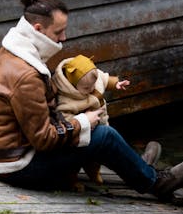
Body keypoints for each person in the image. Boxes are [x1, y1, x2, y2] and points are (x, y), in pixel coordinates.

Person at [0, 0, 183, 201]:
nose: (64, 37)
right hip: (17, 167)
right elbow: (44, 139)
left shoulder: (10, 52)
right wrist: (82, 122)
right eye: (59, 32)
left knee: (93, 127)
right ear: (38, 29)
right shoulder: (26, 76)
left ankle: (137, 166)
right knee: (103, 135)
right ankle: (155, 182)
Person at [52, 53, 129, 186]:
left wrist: (115, 83)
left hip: (101, 123)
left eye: (93, 85)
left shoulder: (92, 79)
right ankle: (71, 178)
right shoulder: (67, 98)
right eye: (87, 88)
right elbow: (66, 119)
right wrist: (83, 120)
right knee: (76, 159)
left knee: (96, 158)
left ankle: (94, 172)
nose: (92, 89)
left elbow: (104, 79)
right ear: (72, 85)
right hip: (81, 134)